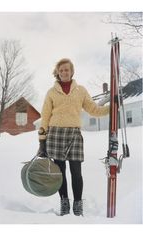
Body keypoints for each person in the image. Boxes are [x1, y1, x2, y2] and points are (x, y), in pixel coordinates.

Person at [37, 58, 109, 216]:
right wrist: (42, 141)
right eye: (61, 70)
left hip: (74, 134)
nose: (64, 72)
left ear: (72, 71)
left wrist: (110, 108)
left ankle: (77, 205)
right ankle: (64, 204)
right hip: (55, 135)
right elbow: (45, 117)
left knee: (76, 172)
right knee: (60, 172)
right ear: (57, 72)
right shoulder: (51, 92)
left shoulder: (81, 90)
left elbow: (93, 109)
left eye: (67, 69)